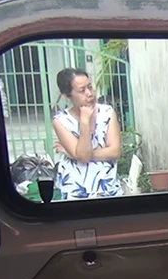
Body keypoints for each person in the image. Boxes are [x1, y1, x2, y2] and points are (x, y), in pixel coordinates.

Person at [51, 68, 123, 199]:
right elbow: (83, 157)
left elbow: (114, 152)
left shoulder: (107, 112)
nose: (89, 94)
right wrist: (84, 123)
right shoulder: (60, 121)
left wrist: (74, 155)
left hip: (107, 188)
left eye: (90, 87)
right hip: (75, 191)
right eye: (82, 90)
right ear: (67, 96)